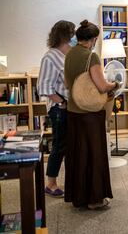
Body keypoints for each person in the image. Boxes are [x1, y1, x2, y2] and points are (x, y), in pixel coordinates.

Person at [64, 20, 119, 210]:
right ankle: (95, 199)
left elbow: (66, 84)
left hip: (73, 111)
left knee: (78, 154)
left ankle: (78, 197)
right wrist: (114, 84)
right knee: (94, 155)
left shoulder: (69, 54)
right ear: (93, 39)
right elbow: (102, 86)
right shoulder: (91, 57)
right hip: (90, 113)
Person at [37, 20, 76, 197]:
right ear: (64, 35)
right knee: (59, 145)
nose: (75, 36)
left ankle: (69, 181)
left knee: (68, 146)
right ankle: (51, 184)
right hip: (59, 108)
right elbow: (44, 87)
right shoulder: (50, 57)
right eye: (72, 33)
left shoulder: (66, 54)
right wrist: (61, 102)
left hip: (69, 107)